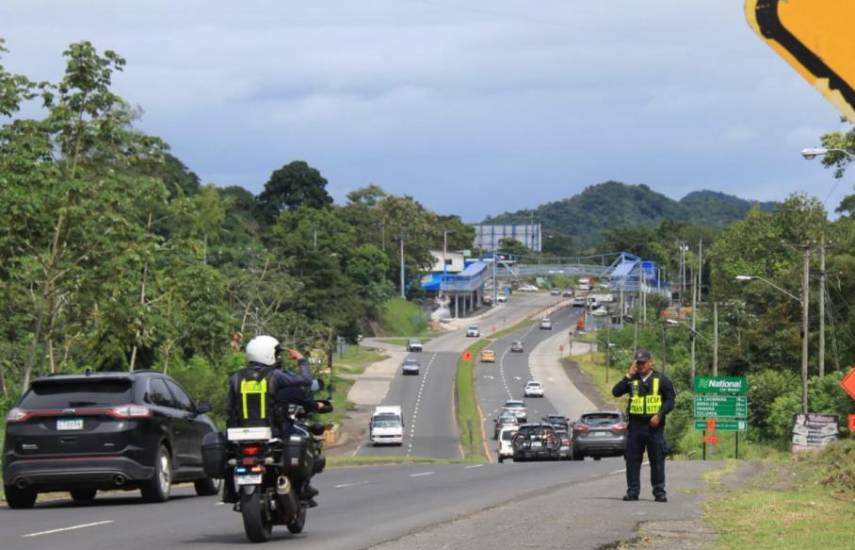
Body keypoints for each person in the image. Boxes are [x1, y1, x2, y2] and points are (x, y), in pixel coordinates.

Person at [224, 335, 319, 504]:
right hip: (273, 431)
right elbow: (305, 380)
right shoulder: (275, 376)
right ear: (268, 354)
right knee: (298, 441)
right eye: (276, 354)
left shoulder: (236, 378)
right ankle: (301, 486)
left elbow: (229, 408)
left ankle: (229, 490)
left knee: (228, 455)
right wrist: (302, 361)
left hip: (240, 434)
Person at [611, 349, 676, 503]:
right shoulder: (631, 380)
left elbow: (670, 400)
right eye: (638, 363)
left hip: (654, 426)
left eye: (643, 362)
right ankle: (633, 491)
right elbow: (616, 392)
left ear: (650, 362)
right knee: (632, 459)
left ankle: (659, 492)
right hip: (635, 426)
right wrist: (628, 375)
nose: (640, 365)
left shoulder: (661, 379)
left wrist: (659, 415)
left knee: (657, 459)